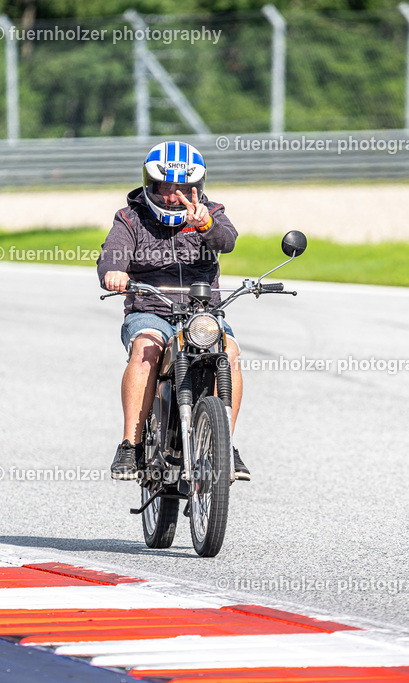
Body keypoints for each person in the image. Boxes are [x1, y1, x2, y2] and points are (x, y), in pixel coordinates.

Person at [97, 140, 250, 481]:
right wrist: (114, 271)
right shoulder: (130, 217)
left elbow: (227, 241)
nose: (172, 196)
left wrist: (206, 225)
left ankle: (226, 444)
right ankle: (130, 446)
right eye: (165, 187)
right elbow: (112, 252)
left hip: (202, 312)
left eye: (183, 188)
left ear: (197, 188)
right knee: (146, 348)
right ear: (150, 185)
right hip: (150, 309)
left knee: (231, 352)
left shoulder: (211, 212)